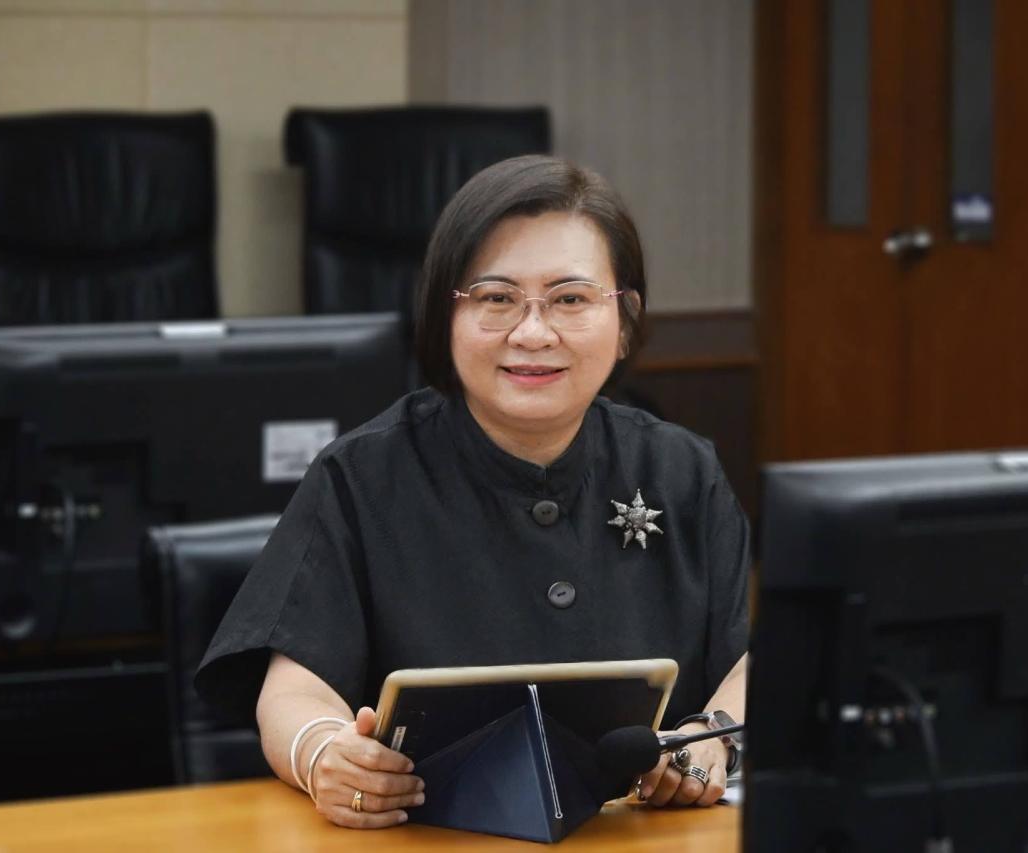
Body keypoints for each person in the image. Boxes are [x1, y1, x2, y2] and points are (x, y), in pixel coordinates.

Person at [194, 154, 750, 829]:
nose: (533, 333)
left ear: (626, 319)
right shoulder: (363, 476)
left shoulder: (681, 469)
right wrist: (322, 754)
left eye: (571, 299)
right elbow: (292, 689)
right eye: (496, 298)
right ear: (444, 316)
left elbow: (753, 661)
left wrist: (715, 738)